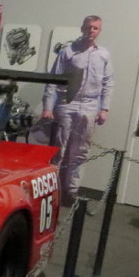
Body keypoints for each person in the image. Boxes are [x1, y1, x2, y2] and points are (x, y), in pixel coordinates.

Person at [41, 15, 113, 206]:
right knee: (59, 149)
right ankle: (52, 190)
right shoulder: (68, 52)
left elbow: (107, 83)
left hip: (89, 105)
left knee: (80, 152)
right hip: (67, 103)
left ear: (100, 30)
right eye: (89, 27)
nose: (92, 31)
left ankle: (71, 191)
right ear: (82, 28)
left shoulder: (103, 54)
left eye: (96, 28)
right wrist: (48, 107)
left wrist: (104, 108)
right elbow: (53, 80)